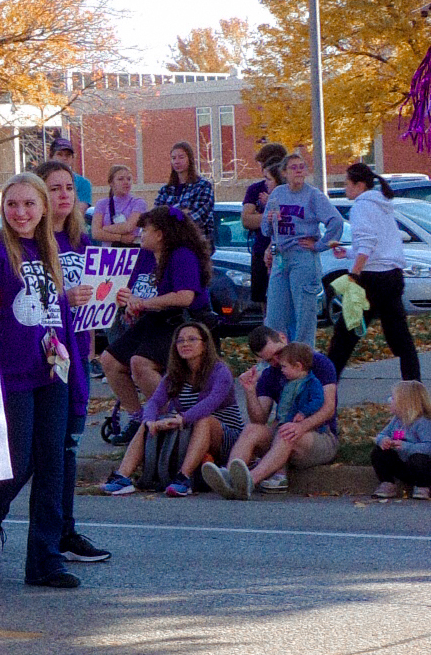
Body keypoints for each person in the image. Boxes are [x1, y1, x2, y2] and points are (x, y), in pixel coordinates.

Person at [0, 172, 83, 589]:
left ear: (44, 207)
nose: (21, 212)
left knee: (52, 465)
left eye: (29, 204)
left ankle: (45, 561)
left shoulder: (53, 251)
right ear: (2, 210)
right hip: (12, 372)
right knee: (16, 462)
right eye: (12, 205)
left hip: (53, 371)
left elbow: (56, 317)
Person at [36, 160, 108, 563]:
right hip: (41, 356)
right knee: (37, 456)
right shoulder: (32, 241)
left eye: (70, 188)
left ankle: (65, 532)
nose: (65, 195)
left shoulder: (86, 244)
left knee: (67, 450)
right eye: (55, 187)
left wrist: (113, 299)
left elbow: (97, 301)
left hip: (76, 354)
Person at [98, 206, 212, 442]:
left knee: (140, 363)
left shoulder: (182, 255)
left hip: (184, 321)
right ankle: (138, 419)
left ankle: (170, 419)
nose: (140, 234)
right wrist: (128, 302)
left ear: (160, 234)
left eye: (145, 230)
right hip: (154, 319)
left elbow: (185, 297)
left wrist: (146, 303)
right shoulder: (145, 255)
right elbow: (132, 291)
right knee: (109, 360)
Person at [100, 321, 243, 497]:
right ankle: (123, 477)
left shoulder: (220, 371)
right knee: (146, 423)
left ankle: (184, 477)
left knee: (203, 421)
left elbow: (211, 403)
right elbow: (154, 401)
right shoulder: (174, 374)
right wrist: (151, 420)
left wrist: (181, 419)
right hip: (189, 432)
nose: (185, 344)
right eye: (180, 341)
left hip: (226, 436)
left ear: (205, 344)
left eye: (192, 339)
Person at [209, 329, 339, 499]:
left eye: (278, 353)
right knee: (251, 430)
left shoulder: (317, 363)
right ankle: (230, 475)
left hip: (320, 435)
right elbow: (259, 418)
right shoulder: (270, 374)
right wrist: (250, 391)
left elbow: (328, 408)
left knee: (286, 432)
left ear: (283, 337)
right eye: (269, 360)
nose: (276, 361)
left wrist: (301, 426)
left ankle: (249, 480)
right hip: (283, 433)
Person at [326, 163, 421, 381]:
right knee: (401, 339)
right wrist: (349, 252)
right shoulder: (382, 204)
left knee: (343, 338)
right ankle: (414, 390)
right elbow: (379, 243)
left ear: (359, 185)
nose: (345, 188)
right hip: (392, 276)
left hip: (369, 279)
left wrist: (354, 274)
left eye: (347, 183)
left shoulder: (361, 206)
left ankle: (326, 390)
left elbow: (368, 243)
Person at [262, 152, 343, 345]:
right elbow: (266, 229)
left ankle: (304, 362)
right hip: (281, 258)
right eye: (293, 167)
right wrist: (270, 219)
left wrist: (320, 245)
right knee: (274, 317)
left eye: (301, 167)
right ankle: (275, 363)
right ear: (284, 173)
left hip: (303, 258)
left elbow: (336, 222)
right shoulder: (278, 193)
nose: (298, 171)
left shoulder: (313, 195)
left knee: (304, 316)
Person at [241, 144, 288, 308]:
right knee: (264, 299)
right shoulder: (255, 189)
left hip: (285, 250)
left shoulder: (291, 191)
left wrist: (272, 211)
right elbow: (246, 220)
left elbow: (290, 218)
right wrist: (271, 215)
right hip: (261, 250)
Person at [370, 380, 431, 499]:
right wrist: (383, 440)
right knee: (378, 453)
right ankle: (387, 483)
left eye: (393, 398)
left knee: (419, 459)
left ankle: (423, 486)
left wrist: (406, 447)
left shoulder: (423, 422)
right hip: (403, 464)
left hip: (420, 467)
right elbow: (382, 434)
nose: (389, 401)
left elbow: (428, 446)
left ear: (406, 403)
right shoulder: (397, 420)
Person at [154, 141, 216, 245]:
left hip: (196, 247)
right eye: (173, 158)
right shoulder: (165, 190)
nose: (177, 162)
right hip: (169, 246)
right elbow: (156, 217)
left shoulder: (203, 186)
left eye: (181, 157)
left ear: (190, 159)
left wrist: (170, 213)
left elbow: (198, 218)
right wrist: (182, 212)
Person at [91, 164, 146, 247]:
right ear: (111, 183)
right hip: (109, 253)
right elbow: (96, 233)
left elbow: (129, 227)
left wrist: (105, 228)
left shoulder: (138, 203)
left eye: (129, 179)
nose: (126, 182)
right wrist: (120, 238)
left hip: (131, 252)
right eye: (120, 179)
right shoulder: (102, 204)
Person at [51, 137, 93, 218]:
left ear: (73, 158)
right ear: (51, 156)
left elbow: (79, 212)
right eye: (59, 154)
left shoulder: (83, 183)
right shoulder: (40, 180)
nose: (64, 158)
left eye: (68, 155)